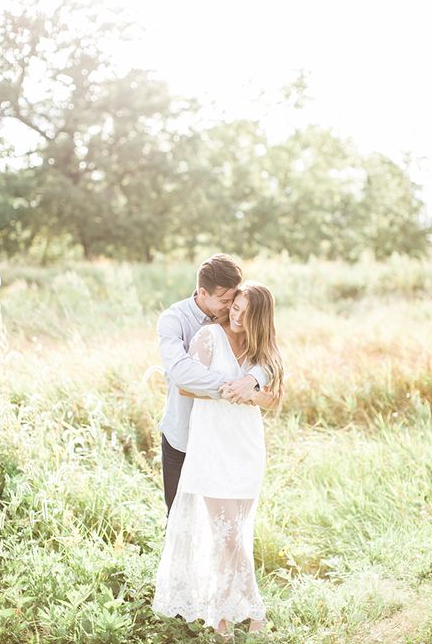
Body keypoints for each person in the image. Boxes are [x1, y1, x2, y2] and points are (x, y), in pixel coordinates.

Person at [153, 281, 284, 640]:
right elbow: (184, 385)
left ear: (261, 317)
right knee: (225, 534)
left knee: (236, 532)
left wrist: (252, 391)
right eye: (235, 307)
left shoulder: (262, 350)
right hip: (211, 444)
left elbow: (274, 400)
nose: (237, 315)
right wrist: (230, 387)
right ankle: (249, 608)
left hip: (246, 445)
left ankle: (222, 613)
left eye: (245, 311)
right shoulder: (210, 336)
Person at [156, 254, 268, 516]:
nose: (231, 308)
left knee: (218, 520)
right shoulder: (173, 320)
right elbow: (182, 372)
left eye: (234, 300)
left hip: (223, 438)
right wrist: (233, 387)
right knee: (178, 517)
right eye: (225, 301)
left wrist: (254, 379)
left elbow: (269, 352)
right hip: (183, 434)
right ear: (203, 292)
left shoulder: (236, 318)